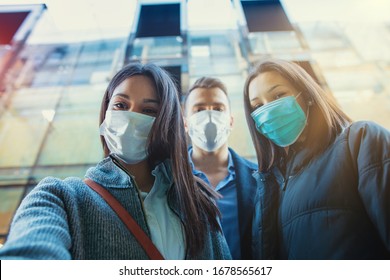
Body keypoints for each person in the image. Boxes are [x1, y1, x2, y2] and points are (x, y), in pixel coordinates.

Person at [0, 63, 231, 260]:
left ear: (166, 123)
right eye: (120, 105)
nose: (131, 118)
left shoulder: (197, 201)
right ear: (106, 113)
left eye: (149, 110)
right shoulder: (61, 197)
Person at [243, 57, 390, 259]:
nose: (268, 112)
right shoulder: (272, 185)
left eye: (278, 95)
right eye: (258, 106)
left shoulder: (361, 140)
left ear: (307, 95)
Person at [184, 77, 258, 259]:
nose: (209, 116)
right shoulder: (166, 177)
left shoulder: (260, 178)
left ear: (230, 122)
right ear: (186, 124)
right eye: (199, 109)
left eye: (218, 109)